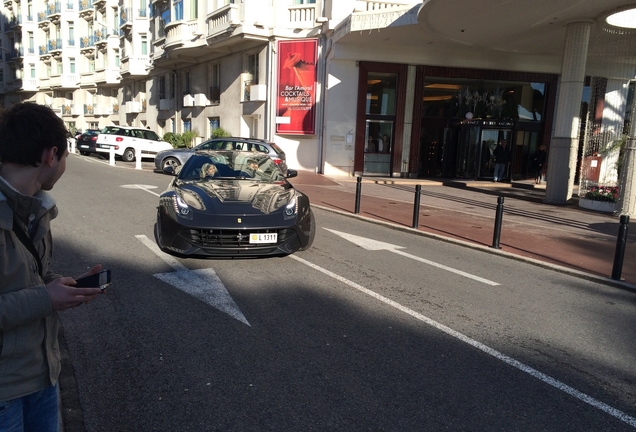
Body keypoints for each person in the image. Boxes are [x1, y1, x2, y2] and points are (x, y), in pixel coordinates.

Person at [0, 102, 104, 431]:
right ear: (51, 155)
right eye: (66, 158)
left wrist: (66, 285)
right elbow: (36, 294)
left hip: (44, 377)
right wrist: (47, 298)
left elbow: (31, 275)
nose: (64, 165)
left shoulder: (35, 208)